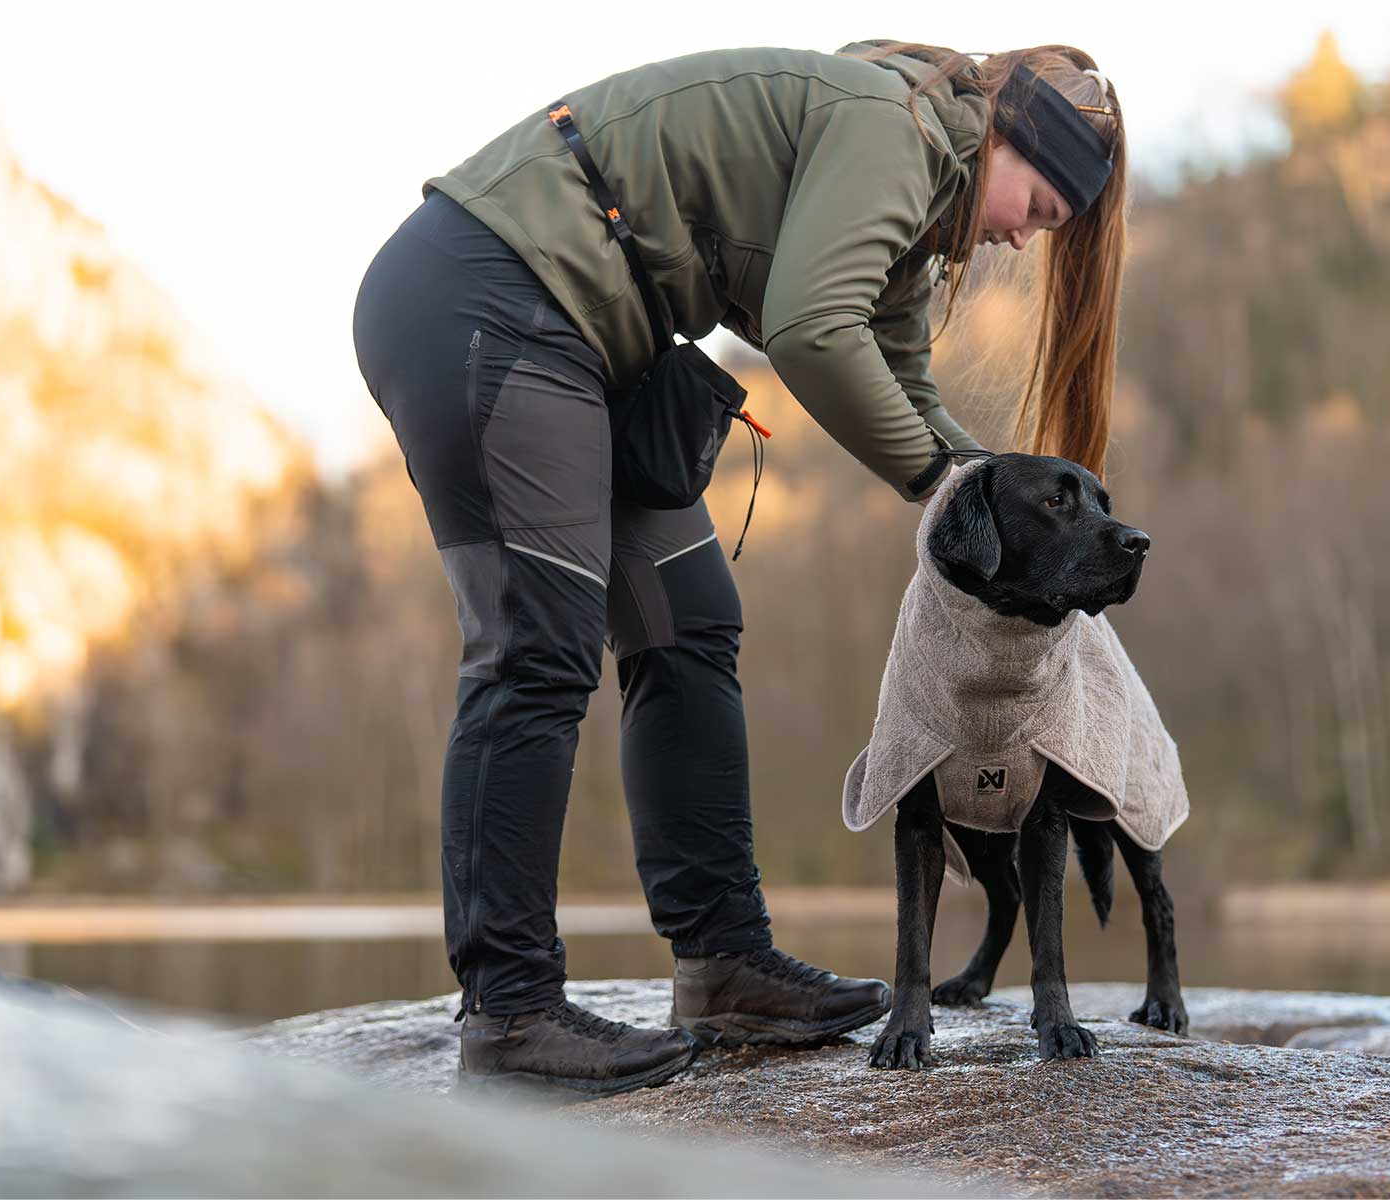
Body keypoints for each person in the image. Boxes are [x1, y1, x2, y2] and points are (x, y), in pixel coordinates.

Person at [351, 40, 1128, 1097]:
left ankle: (723, 967)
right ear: (1006, 139)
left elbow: (894, 376)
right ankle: (511, 1013)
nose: (1020, 239)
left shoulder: (918, 207)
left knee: (689, 620)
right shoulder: (885, 124)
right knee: (539, 645)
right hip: (488, 293)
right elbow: (811, 330)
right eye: (1034, 209)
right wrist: (951, 493)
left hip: (593, 346)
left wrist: (999, 506)